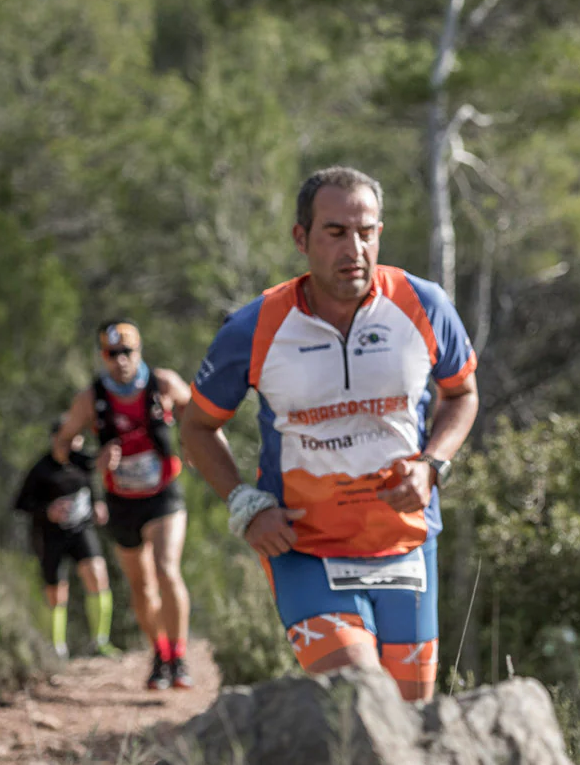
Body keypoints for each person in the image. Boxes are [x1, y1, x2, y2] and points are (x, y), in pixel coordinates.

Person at [181, 166, 479, 703]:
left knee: (412, 716)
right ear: (302, 239)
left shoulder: (423, 304)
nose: (355, 249)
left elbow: (462, 394)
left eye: (366, 232)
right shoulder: (255, 328)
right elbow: (198, 427)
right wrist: (245, 503)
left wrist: (432, 464)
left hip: (405, 543)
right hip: (305, 547)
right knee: (359, 696)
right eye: (336, 232)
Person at [54, 320, 195, 691]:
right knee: (141, 585)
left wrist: (191, 439)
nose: (120, 361)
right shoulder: (91, 398)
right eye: (111, 354)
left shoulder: (162, 383)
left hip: (164, 494)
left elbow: (200, 416)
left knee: (167, 570)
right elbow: (62, 446)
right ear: (103, 356)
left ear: (140, 351)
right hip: (122, 501)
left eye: (127, 352)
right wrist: (94, 462)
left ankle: (179, 657)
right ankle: (160, 654)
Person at [12, 422, 115, 659]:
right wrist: (47, 510)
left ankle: (100, 642)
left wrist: (98, 503)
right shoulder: (41, 470)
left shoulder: (82, 464)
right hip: (51, 536)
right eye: (68, 440)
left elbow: (91, 483)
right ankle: (56, 648)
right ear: (55, 439)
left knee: (98, 575)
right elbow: (21, 504)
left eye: (77, 439)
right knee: (57, 590)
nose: (73, 445)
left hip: (81, 530)